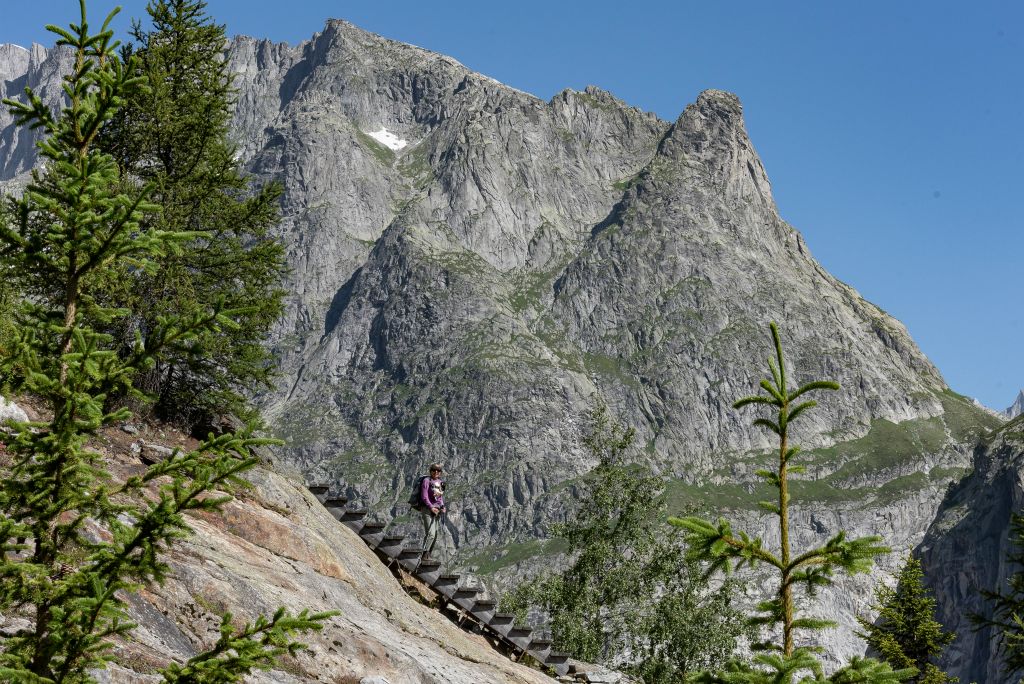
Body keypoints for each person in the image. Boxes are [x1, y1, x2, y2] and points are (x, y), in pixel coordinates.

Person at [419, 463, 446, 560]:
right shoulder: (426, 481)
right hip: (427, 509)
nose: (436, 472)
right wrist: (431, 507)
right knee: (431, 533)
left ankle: (428, 554)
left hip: (437, 510)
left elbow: (440, 497)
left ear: (440, 473)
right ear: (430, 471)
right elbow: (424, 496)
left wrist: (442, 506)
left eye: (438, 470)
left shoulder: (440, 482)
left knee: (435, 534)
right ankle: (424, 554)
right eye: (434, 470)